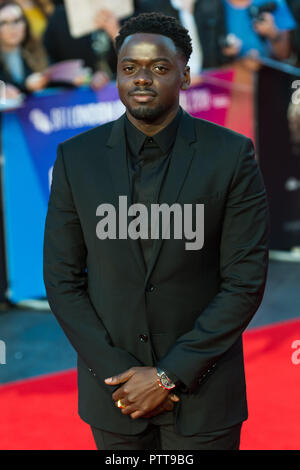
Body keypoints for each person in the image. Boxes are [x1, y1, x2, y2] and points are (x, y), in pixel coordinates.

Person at [43, 12, 270, 450]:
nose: (142, 79)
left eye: (159, 68)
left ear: (185, 76)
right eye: (129, 68)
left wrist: (168, 376)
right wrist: (119, 375)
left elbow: (243, 282)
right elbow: (62, 278)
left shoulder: (231, 156)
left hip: (203, 398)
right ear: (117, 75)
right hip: (114, 398)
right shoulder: (77, 159)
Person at [140, 0, 230, 71]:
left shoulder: (212, 3)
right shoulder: (151, 7)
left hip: (208, 79)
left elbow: (220, 48)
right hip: (174, 82)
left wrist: (228, 52)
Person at [0, 1, 49, 99]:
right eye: (4, 23)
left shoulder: (38, 52)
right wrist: (26, 86)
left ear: (25, 24)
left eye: (17, 21)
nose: (12, 28)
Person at [222, 0, 297, 61]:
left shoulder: (274, 3)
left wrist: (273, 34)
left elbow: (284, 54)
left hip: (269, 74)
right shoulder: (216, 5)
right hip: (233, 72)